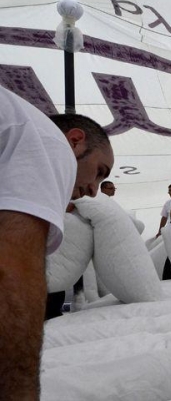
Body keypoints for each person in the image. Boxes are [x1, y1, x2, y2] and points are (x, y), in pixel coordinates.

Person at [0, 86, 113, 400]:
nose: (94, 190)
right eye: (99, 173)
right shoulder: (50, 143)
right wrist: (20, 392)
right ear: (75, 141)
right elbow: (11, 271)